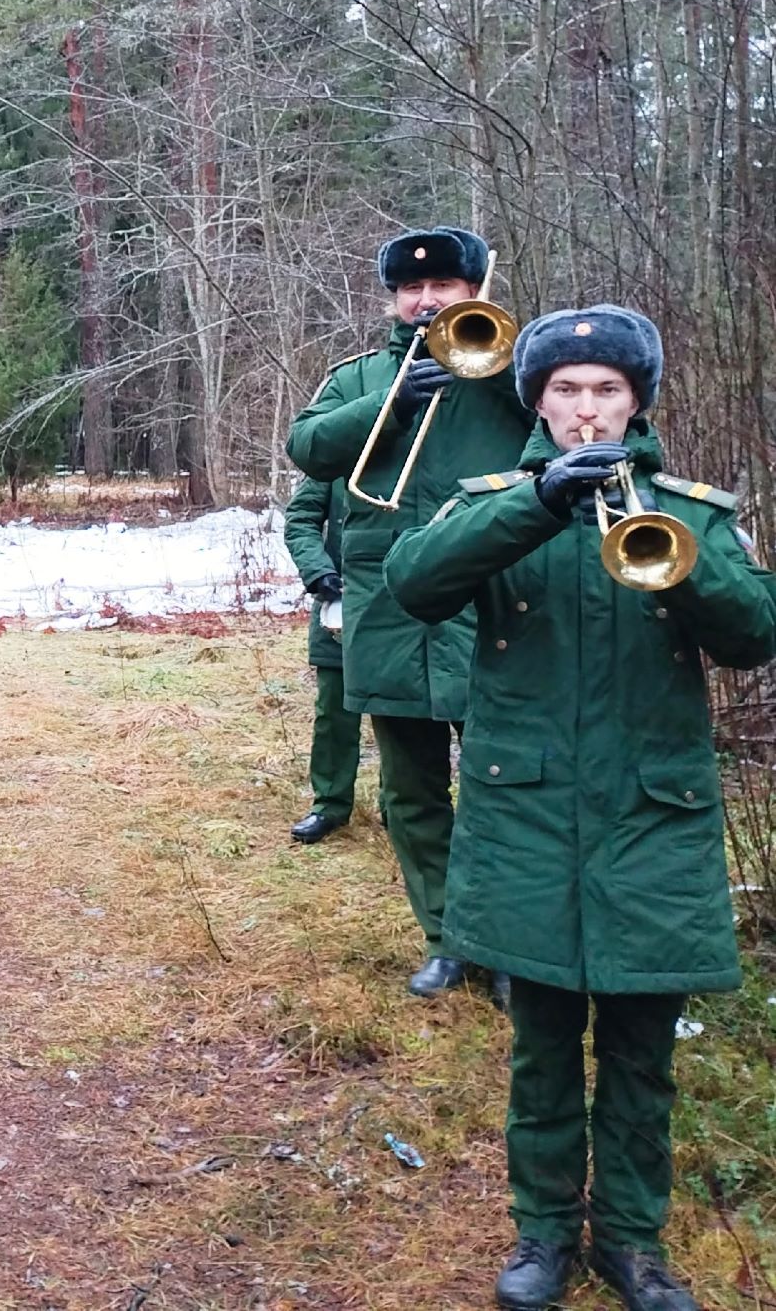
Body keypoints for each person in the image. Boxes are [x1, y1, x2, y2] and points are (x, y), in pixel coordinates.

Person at [386, 306, 776, 1311]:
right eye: (565, 389)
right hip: (527, 815)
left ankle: (634, 1243)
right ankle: (544, 1233)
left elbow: (753, 633)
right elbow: (412, 583)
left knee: (642, 1051)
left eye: (606, 389)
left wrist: (677, 557)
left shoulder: (688, 507)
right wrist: (535, 505)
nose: (585, 408)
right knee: (543, 1044)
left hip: (654, 812)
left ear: (636, 399)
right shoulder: (493, 501)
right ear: (536, 401)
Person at [286, 227, 532, 997]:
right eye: (411, 290)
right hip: (388, 610)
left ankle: (510, 948)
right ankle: (448, 938)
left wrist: (487, 375)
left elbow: (569, 441)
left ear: (474, 290)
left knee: (506, 784)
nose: (426, 300)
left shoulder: (519, 373)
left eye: (445, 287)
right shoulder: (360, 377)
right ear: (394, 298)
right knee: (409, 791)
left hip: (493, 608)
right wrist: (391, 406)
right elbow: (308, 447)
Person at [282, 475, 364, 843]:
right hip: (340, 606)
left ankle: (403, 808)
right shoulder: (339, 447)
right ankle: (329, 804)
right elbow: (300, 517)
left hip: (406, 602)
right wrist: (318, 571)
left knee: (403, 715)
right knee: (334, 711)